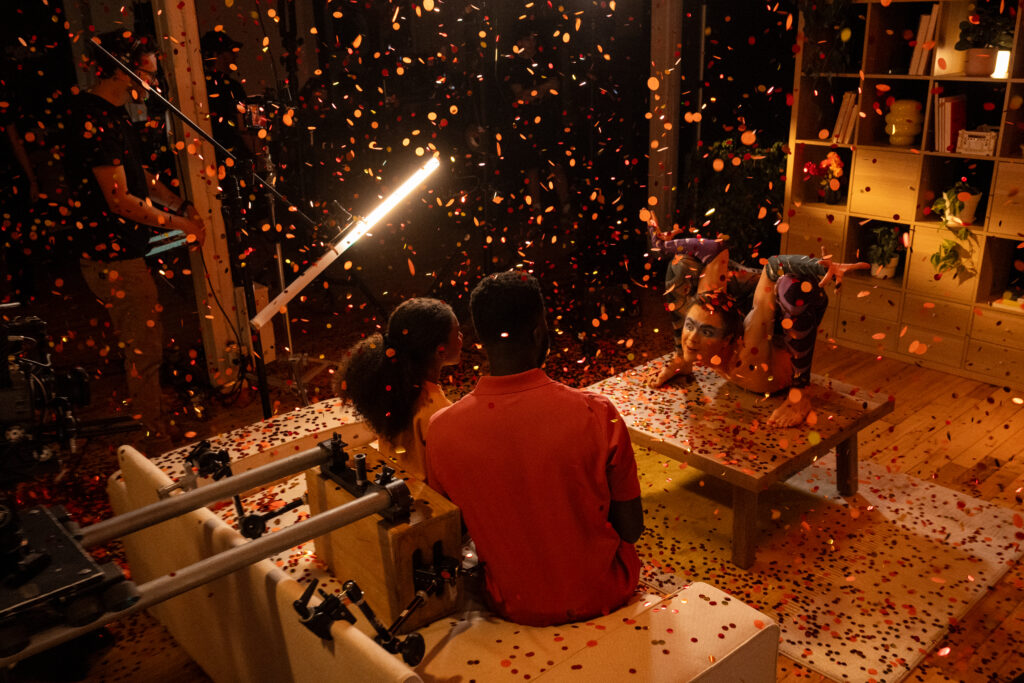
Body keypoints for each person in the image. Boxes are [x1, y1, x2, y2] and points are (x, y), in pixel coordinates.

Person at [426, 270, 643, 626]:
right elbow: (631, 529)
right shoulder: (597, 412)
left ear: (479, 338)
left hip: (513, 604)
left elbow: (457, 533)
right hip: (605, 592)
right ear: (540, 331)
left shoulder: (441, 430)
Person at [63, 30, 205, 448]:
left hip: (125, 250)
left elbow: (138, 175)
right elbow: (119, 199)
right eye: (150, 73)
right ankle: (153, 437)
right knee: (143, 347)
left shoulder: (115, 113)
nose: (154, 83)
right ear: (123, 71)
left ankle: (153, 410)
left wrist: (179, 204)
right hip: (111, 257)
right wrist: (179, 225)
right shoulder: (90, 118)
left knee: (147, 340)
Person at [647, 223, 867, 426]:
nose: (692, 339)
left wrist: (817, 266)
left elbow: (773, 266)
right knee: (681, 265)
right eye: (690, 326)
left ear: (729, 340)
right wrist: (664, 246)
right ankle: (681, 361)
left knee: (792, 287)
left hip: (784, 307)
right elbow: (716, 250)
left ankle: (800, 395)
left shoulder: (750, 351)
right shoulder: (710, 308)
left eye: (706, 332)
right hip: (746, 293)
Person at [336, 298, 462, 480]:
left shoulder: (390, 385)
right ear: (440, 351)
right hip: (423, 493)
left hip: (391, 479)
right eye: (457, 333)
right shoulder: (437, 410)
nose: (461, 338)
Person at [501, 26, 571, 220]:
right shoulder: (514, 66)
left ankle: (566, 207)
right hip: (527, 122)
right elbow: (521, 96)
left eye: (534, 39)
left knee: (555, 163)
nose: (532, 43)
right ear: (519, 42)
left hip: (548, 119)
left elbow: (555, 85)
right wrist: (542, 89)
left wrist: (535, 91)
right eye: (528, 39)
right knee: (531, 167)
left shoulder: (544, 61)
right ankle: (537, 211)